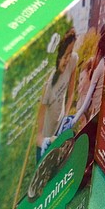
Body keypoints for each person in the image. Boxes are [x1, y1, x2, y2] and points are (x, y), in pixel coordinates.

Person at [35, 29, 79, 159]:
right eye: (65, 56)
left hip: (59, 131)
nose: (67, 60)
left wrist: (65, 117)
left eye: (70, 54)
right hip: (46, 143)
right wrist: (47, 141)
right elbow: (37, 136)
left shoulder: (73, 60)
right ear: (58, 56)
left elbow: (70, 93)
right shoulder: (48, 87)